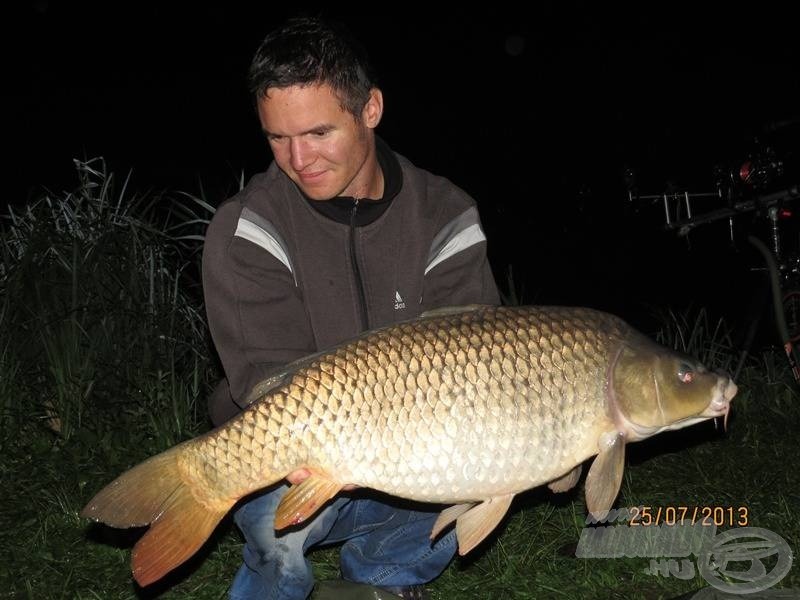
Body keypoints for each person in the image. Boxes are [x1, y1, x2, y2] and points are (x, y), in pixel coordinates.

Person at [202, 15, 500, 600]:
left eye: (317, 132)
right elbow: (267, 383)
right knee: (273, 525)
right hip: (295, 445)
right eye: (276, 138)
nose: (298, 158)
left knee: (474, 472)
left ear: (370, 109)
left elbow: (477, 358)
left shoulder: (445, 215)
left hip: (418, 442)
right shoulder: (249, 228)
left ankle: (381, 582)